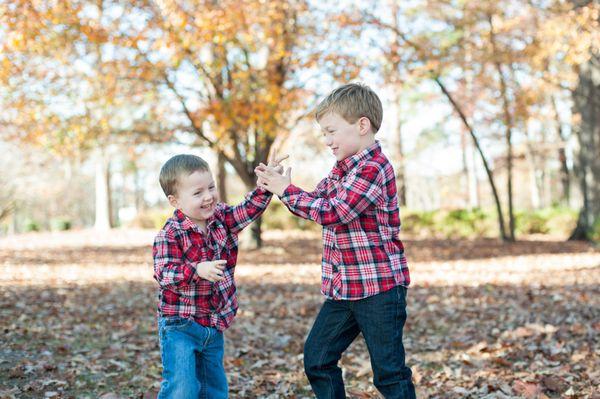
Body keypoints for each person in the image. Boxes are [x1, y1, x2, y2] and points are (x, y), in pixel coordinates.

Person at [255, 83, 416, 399]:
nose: (327, 141)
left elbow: (335, 211)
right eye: (324, 134)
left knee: (389, 375)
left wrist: (285, 191)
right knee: (317, 359)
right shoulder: (342, 168)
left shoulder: (373, 167)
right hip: (344, 290)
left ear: (361, 125)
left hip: (379, 289)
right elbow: (314, 201)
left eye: (331, 131)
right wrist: (281, 186)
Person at [153, 153, 285, 399]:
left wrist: (267, 182)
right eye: (197, 193)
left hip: (214, 322)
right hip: (180, 324)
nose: (208, 196)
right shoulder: (170, 235)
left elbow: (247, 210)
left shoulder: (221, 218)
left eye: (211, 187)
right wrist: (196, 269)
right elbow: (164, 273)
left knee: (214, 388)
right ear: (175, 200)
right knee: (183, 388)